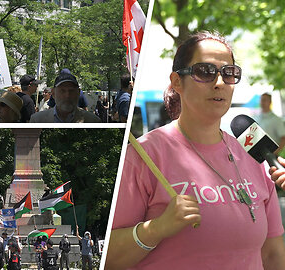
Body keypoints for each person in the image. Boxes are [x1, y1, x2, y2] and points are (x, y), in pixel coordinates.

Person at [106, 31, 285, 270]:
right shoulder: (142, 156)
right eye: (205, 72)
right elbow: (107, 259)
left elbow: (273, 255)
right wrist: (156, 228)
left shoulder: (254, 157)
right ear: (177, 81)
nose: (220, 82)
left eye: (229, 73)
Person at [30, 71, 100, 123]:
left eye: (71, 91)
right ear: (53, 93)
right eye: (62, 91)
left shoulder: (93, 121)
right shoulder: (37, 120)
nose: (67, 95)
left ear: (78, 93)